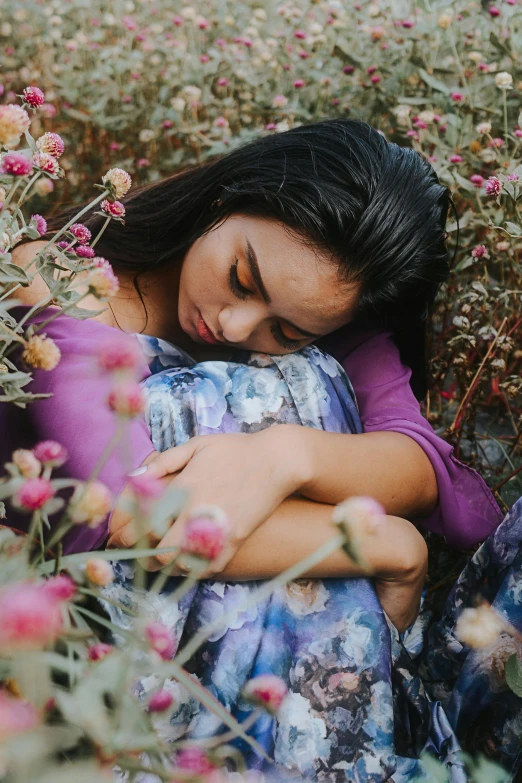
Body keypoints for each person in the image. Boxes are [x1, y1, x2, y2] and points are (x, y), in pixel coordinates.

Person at [3, 118, 506, 779]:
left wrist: (282, 456)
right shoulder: (63, 276)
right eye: (242, 275)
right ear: (231, 194)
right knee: (224, 395)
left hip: (264, 660)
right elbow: (119, 518)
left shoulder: (322, 312)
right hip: (89, 634)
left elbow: (426, 469)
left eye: (288, 327)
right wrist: (385, 543)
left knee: (304, 380)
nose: (235, 324)